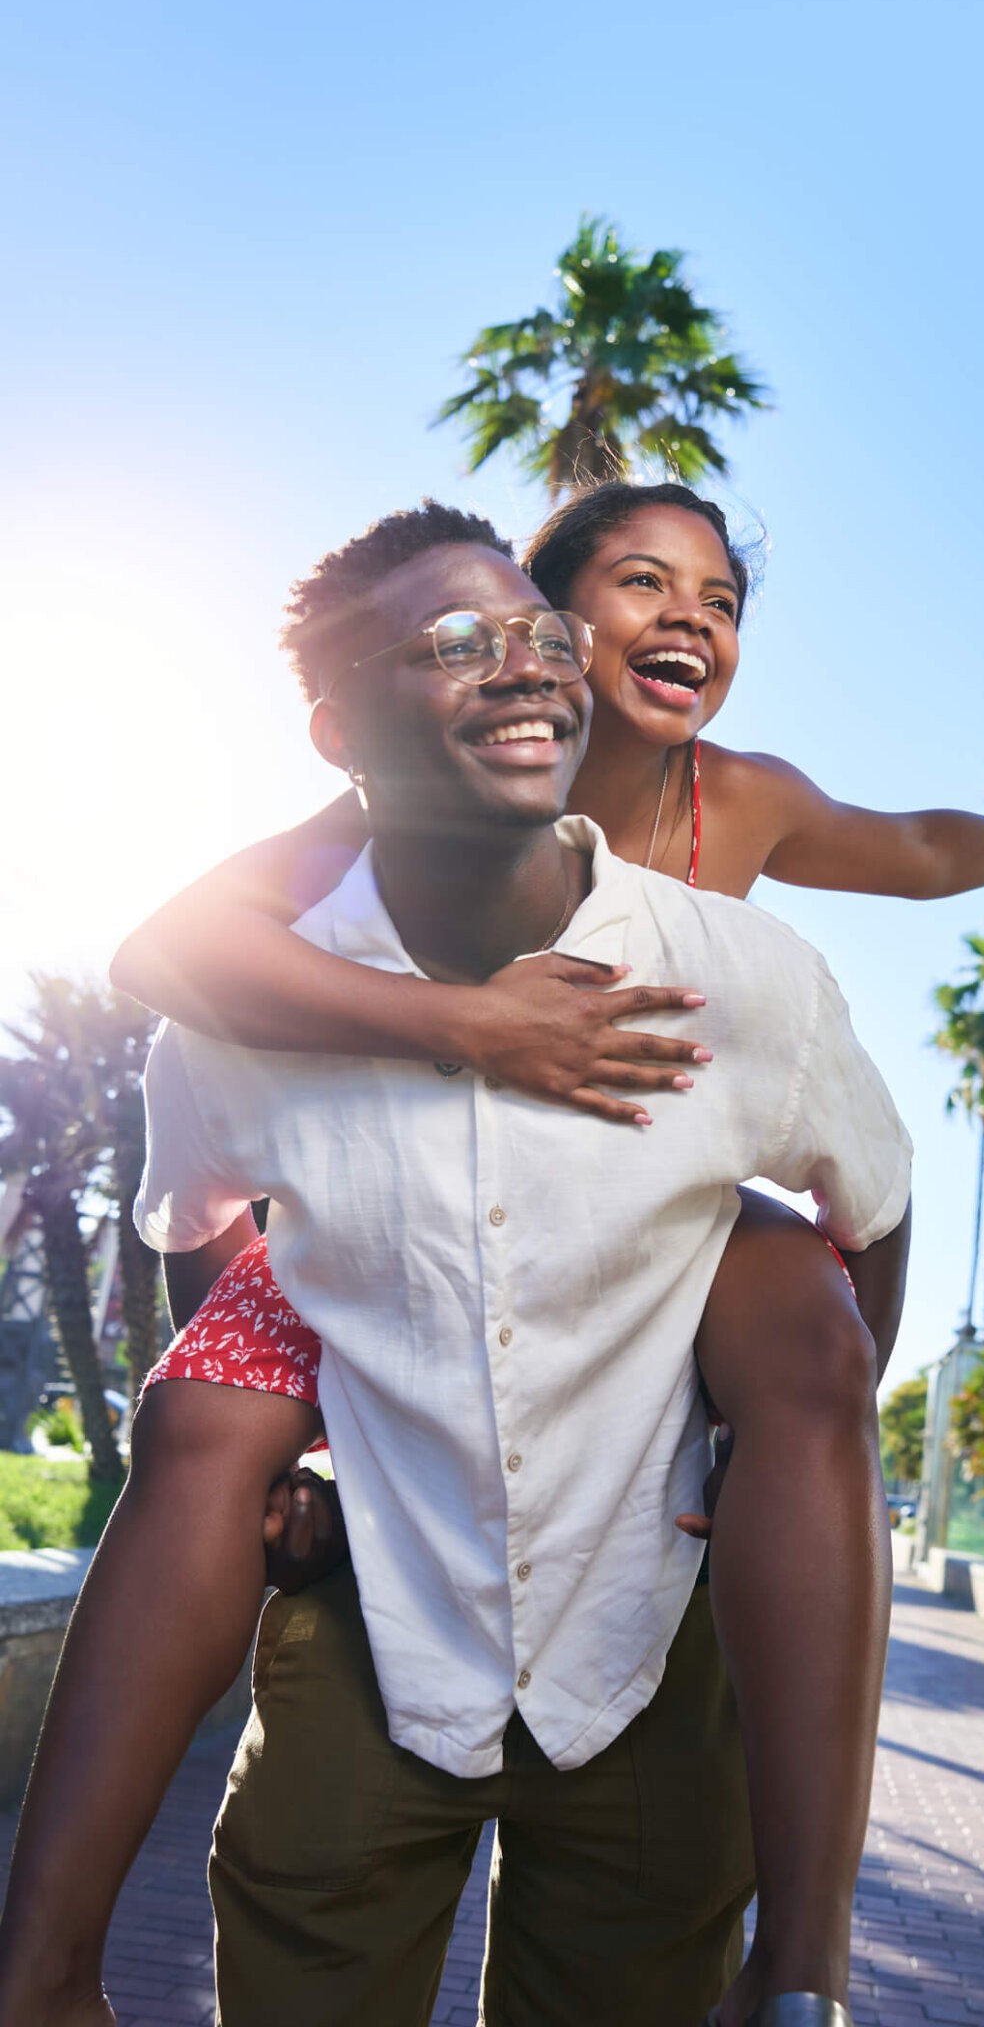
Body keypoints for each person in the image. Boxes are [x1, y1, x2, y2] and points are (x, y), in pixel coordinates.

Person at [5, 505, 914, 2027]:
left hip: (645, 1650)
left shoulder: (738, 982)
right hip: (373, 1631)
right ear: (336, 726)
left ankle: (801, 1974)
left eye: (544, 639)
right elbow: (197, 1248)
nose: (528, 671)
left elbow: (868, 1224)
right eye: (454, 644)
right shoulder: (239, 1017)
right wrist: (277, 1449)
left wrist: (781, 1432)